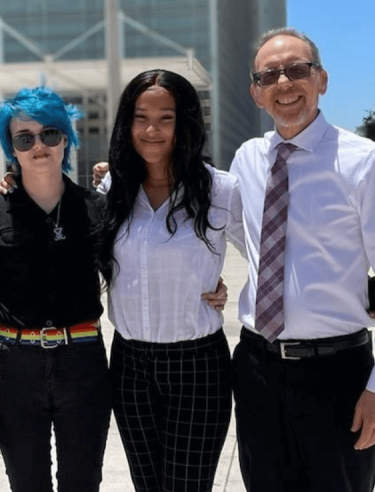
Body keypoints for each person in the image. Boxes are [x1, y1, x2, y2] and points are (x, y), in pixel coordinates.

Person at [229, 27, 375, 492]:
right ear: (256, 93)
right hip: (257, 370)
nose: (284, 84)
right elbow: (241, 237)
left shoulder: (365, 162)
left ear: (322, 80)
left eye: (297, 70)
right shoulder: (248, 160)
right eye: (269, 75)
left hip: (338, 377)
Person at [97, 69, 243, 492]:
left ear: (186, 123)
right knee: (147, 485)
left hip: (197, 364)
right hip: (128, 365)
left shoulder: (221, 191)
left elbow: (268, 257)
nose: (151, 129)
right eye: (141, 117)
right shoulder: (113, 189)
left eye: (166, 117)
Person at [0, 87, 111, 492]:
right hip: (13, 369)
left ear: (66, 137)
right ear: (11, 148)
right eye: (24, 139)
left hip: (83, 364)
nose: (38, 146)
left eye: (49, 134)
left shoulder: (96, 209)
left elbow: (135, 274)